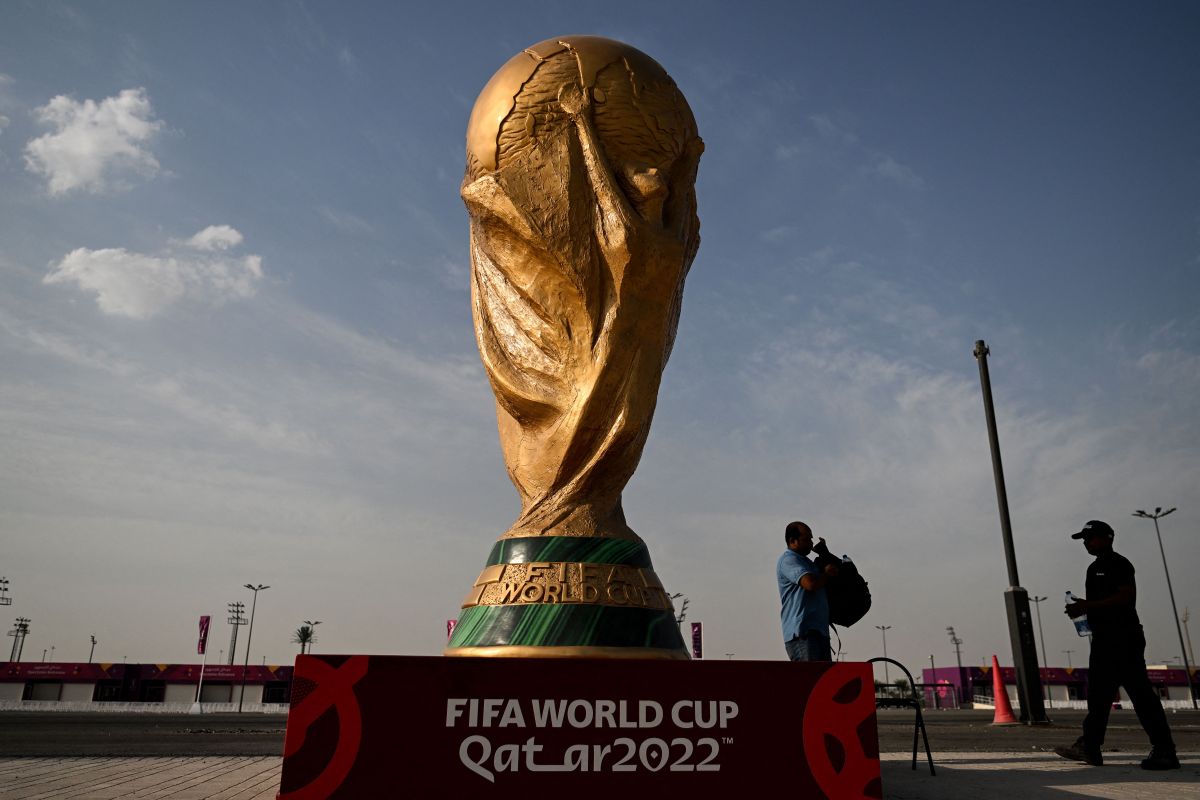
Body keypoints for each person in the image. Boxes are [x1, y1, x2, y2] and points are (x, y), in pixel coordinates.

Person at [1055, 520, 1180, 770]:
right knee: (1098, 696)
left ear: (1107, 538)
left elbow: (1125, 597)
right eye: (1084, 539)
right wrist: (1082, 610)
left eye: (1090, 538)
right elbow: (1101, 602)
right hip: (1103, 639)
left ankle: (1165, 750)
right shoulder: (1094, 569)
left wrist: (1087, 606)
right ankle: (1089, 747)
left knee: (1141, 695)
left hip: (1124, 639)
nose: (1086, 543)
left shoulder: (1119, 563)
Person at [777, 520, 839, 661]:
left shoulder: (808, 563)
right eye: (807, 539)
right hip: (803, 634)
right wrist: (827, 574)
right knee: (810, 681)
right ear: (793, 541)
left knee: (823, 681)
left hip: (818, 632)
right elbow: (810, 584)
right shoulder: (788, 560)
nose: (811, 543)